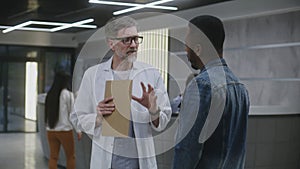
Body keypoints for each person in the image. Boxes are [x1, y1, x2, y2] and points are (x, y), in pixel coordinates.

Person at [72, 16, 171, 169]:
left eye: (136, 39)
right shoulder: (93, 75)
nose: (134, 45)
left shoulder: (151, 73)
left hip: (140, 162)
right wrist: (98, 118)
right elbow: (77, 117)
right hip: (107, 162)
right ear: (111, 43)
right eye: (127, 40)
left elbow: (164, 118)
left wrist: (153, 111)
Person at [172, 15, 250, 169]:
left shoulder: (201, 85)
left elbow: (187, 148)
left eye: (187, 44)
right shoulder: (240, 88)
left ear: (198, 48)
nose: (185, 50)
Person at [45, 71, 81, 169]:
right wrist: (78, 130)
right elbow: (73, 113)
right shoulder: (67, 94)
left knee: (53, 157)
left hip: (50, 130)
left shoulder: (50, 94)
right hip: (64, 131)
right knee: (70, 156)